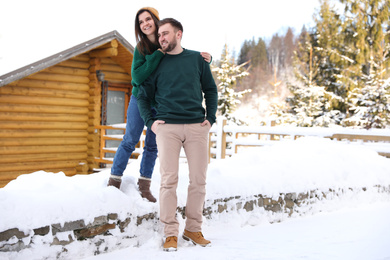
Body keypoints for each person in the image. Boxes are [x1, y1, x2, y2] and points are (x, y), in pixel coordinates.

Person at [107, 7, 211, 203]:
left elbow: (184, 60)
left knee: (153, 146)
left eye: (148, 19)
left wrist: (205, 59)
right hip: (141, 99)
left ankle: (144, 186)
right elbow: (137, 77)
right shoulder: (141, 48)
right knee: (130, 139)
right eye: (141, 22)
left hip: (162, 103)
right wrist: (157, 55)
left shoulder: (169, 43)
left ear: (155, 20)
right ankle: (114, 181)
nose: (145, 24)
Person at [137, 18, 218, 251]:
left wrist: (210, 118)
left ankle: (193, 229)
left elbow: (210, 89)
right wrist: (151, 123)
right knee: (168, 181)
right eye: (159, 35)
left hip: (196, 127)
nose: (161, 38)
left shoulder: (197, 60)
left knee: (198, 181)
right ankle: (170, 232)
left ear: (178, 34)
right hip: (167, 128)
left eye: (165, 34)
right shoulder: (156, 62)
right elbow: (143, 95)